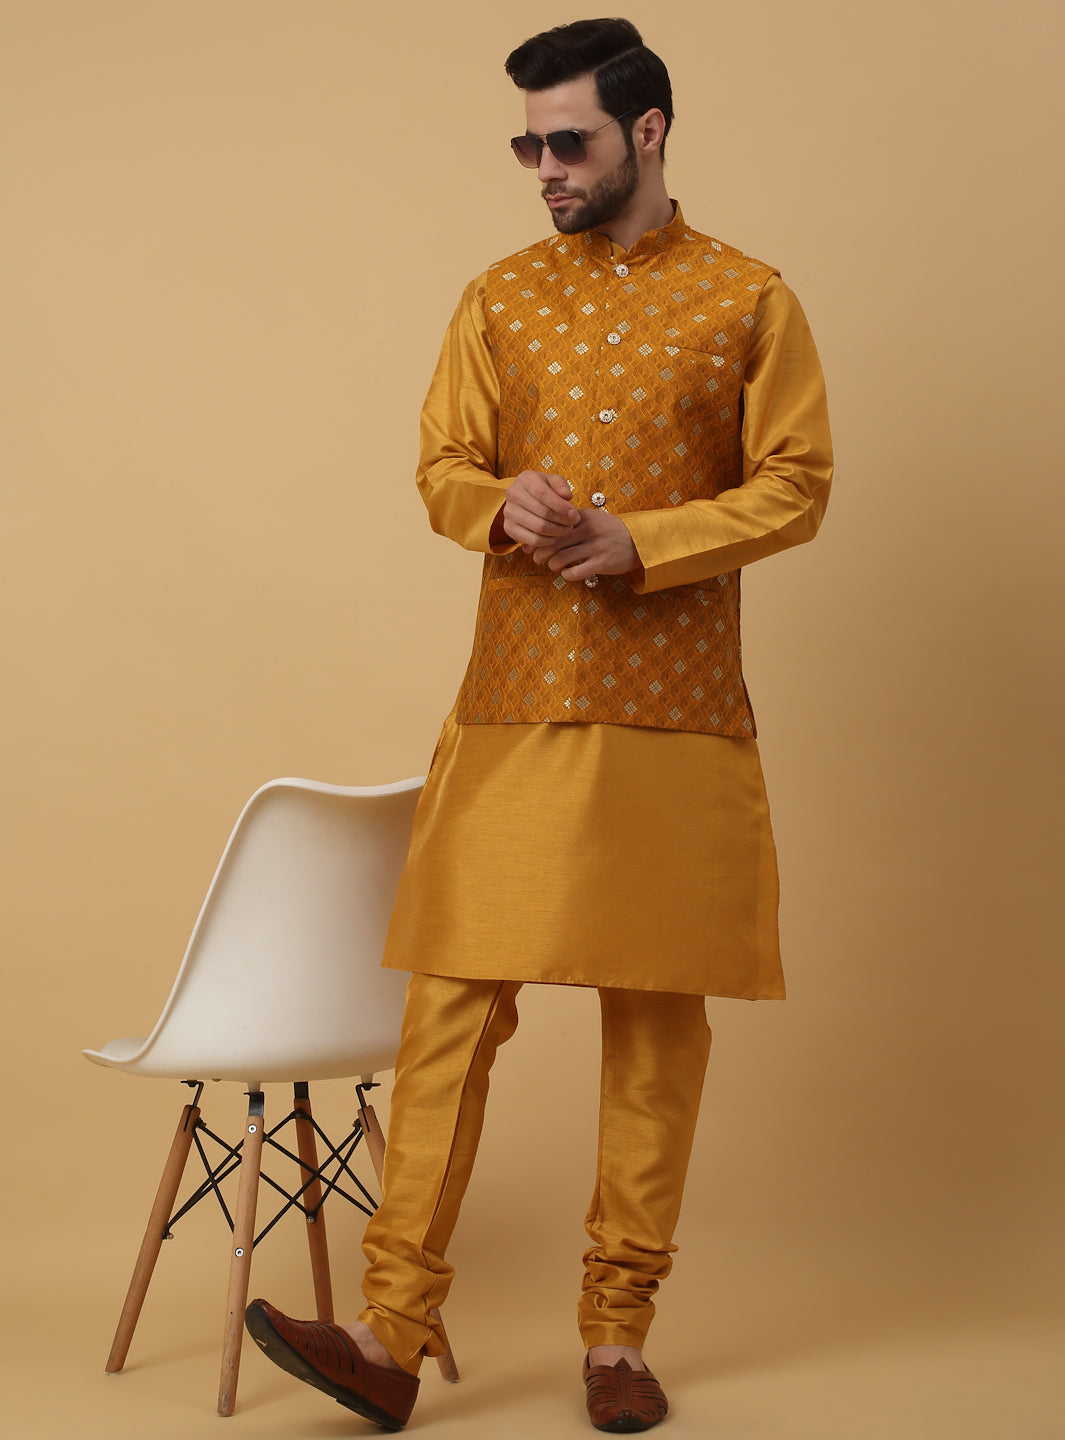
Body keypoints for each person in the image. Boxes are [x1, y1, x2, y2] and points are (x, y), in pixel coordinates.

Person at [246, 18, 832, 1433]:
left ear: (649, 131)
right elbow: (442, 465)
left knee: (657, 1030)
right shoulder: (499, 297)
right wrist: (496, 503)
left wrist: (648, 541)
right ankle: (388, 1336)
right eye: (526, 145)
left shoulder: (749, 299)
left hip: (676, 712)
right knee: (450, 1008)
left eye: (567, 141)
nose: (544, 168)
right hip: (515, 698)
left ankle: (619, 1342)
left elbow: (798, 484)